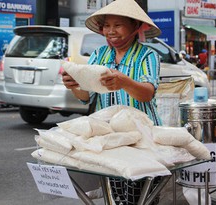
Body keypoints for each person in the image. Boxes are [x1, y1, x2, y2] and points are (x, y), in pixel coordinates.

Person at [62, 0, 162, 204]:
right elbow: (86, 96)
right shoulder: (99, 55)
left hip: (141, 140)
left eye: (117, 25)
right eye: (107, 26)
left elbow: (147, 94)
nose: (111, 31)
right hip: (109, 139)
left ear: (135, 26)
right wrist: (74, 85)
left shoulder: (147, 56)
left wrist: (124, 81)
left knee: (140, 198)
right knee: (116, 197)